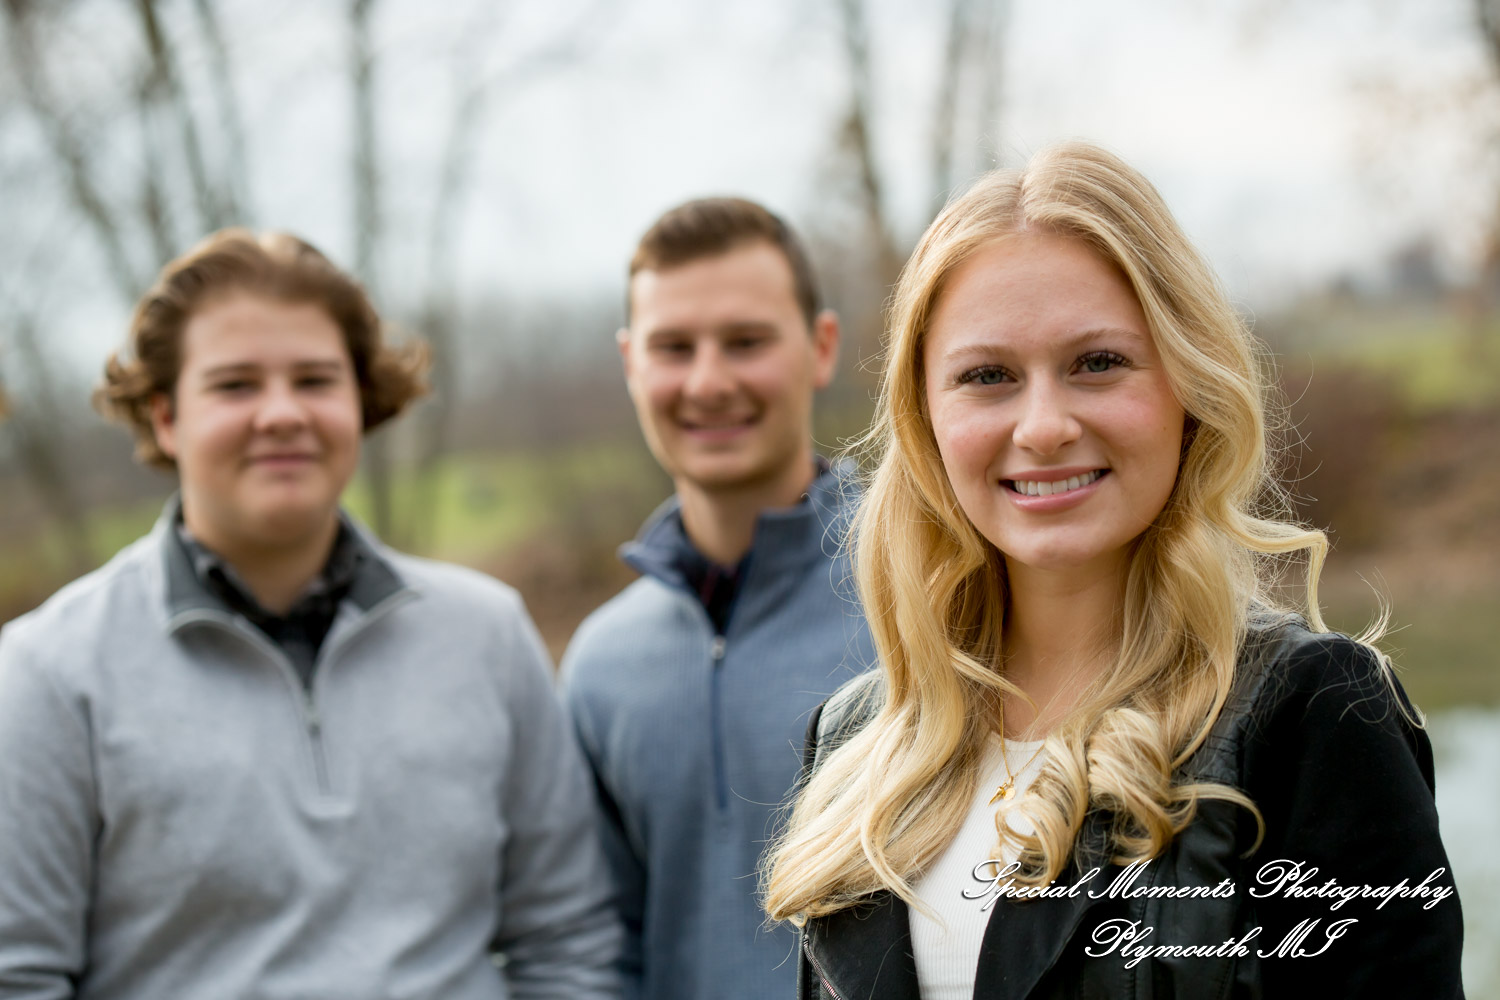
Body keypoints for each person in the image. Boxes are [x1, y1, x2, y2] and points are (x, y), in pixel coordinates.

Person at [762, 142, 1464, 998]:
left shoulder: (1310, 716)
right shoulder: (851, 746)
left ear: (1188, 385)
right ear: (926, 421)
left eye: (1097, 363)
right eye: (987, 376)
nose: (1045, 425)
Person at [0, 229, 622, 999]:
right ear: (165, 417)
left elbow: (568, 940)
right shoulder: (49, 672)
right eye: (234, 386)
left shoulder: (488, 635)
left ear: (360, 402)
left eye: (315, 380)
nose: (282, 413)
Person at [560, 197, 873, 1000]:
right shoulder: (599, 666)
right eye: (674, 347)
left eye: (745, 341)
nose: (709, 380)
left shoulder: (924, 596)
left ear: (821, 347)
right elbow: (594, 944)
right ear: (632, 363)